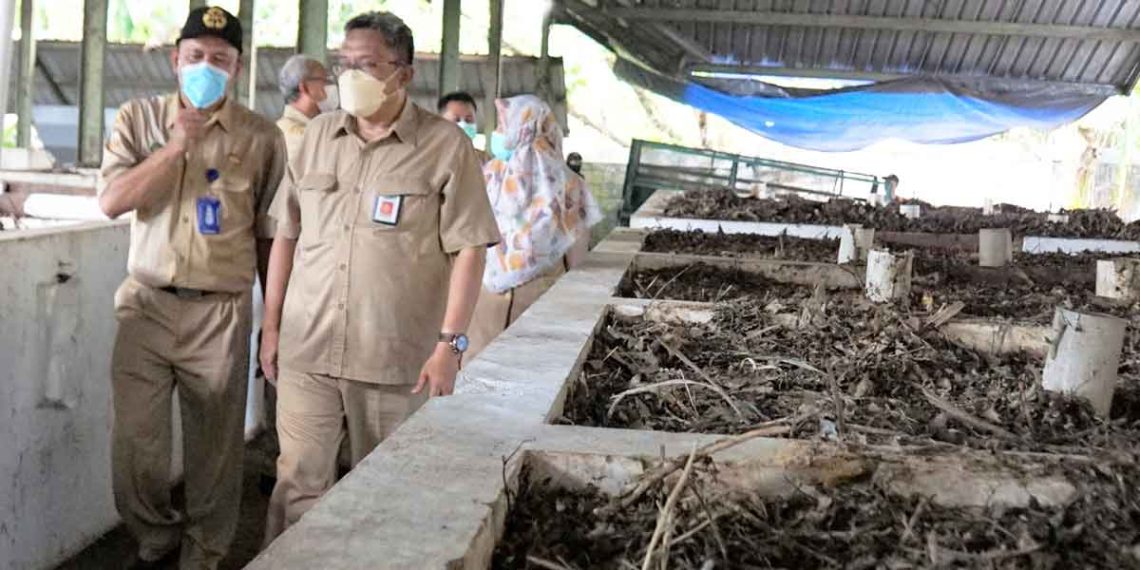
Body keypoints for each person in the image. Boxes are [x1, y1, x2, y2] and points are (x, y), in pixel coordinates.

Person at [259, 11, 500, 543]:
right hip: (310, 347)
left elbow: (470, 249)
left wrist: (450, 344)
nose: (350, 76)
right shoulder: (316, 137)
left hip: (395, 359)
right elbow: (287, 235)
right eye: (344, 63)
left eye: (367, 65)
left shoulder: (444, 147)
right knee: (298, 483)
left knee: (387, 492)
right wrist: (271, 325)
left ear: (404, 74)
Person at [97, 6, 286, 569]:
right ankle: (156, 536)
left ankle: (202, 557)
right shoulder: (139, 119)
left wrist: (271, 323)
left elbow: (270, 237)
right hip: (147, 306)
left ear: (238, 67)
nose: (207, 67)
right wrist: (176, 146)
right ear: (176, 60)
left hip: (220, 313)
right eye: (197, 56)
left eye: (221, 60)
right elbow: (112, 201)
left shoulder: (260, 136)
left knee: (215, 457)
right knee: (136, 448)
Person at [465, 95, 603, 359]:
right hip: (544, 304)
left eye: (503, 126)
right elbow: (578, 260)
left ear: (522, 129)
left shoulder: (488, 177)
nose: (498, 133)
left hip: (482, 302)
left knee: (477, 380)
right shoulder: (570, 185)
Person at [276, 54, 337, 161]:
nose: (331, 86)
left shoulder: (317, 125)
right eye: (325, 80)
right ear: (304, 87)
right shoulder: (290, 133)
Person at [437, 91, 491, 163]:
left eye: (468, 120)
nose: (463, 125)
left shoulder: (484, 160)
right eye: (456, 120)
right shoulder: (430, 158)